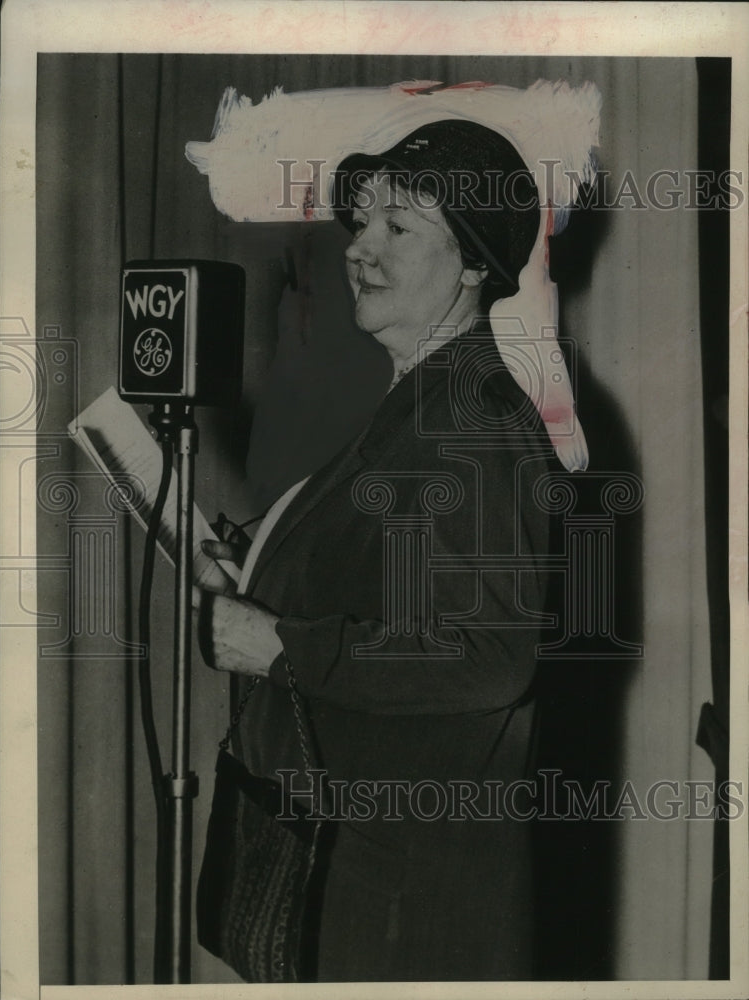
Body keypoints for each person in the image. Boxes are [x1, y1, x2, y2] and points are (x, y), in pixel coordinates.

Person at [196, 119, 557, 981]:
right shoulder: (420, 401)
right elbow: (384, 580)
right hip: (348, 870)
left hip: (396, 902)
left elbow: (488, 659)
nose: (360, 247)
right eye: (361, 223)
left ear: (474, 264)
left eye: (398, 228)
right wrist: (259, 566)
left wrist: (281, 642)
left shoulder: (474, 418)